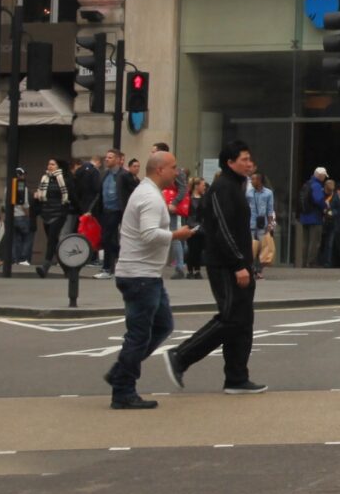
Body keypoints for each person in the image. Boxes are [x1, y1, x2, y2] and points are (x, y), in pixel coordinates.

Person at [165, 141, 266, 396]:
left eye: (249, 158)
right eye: (244, 159)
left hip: (240, 263)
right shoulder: (222, 188)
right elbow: (222, 229)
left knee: (243, 321)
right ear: (230, 162)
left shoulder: (237, 186)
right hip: (225, 265)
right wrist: (238, 264)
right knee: (231, 318)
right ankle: (181, 356)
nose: (249, 163)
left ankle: (236, 377)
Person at [108, 150, 192, 411]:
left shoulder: (147, 192)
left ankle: (121, 372)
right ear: (160, 170)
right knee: (139, 335)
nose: (177, 172)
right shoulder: (150, 197)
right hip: (140, 276)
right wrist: (176, 235)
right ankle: (123, 390)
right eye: (173, 167)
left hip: (147, 275)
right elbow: (148, 234)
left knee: (163, 325)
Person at [94, 148, 132, 280]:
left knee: (110, 238)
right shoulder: (104, 174)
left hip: (119, 210)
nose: (106, 159)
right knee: (107, 239)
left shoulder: (124, 175)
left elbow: (132, 191)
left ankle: (108, 267)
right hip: (106, 210)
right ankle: (109, 266)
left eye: (110, 157)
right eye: (106, 157)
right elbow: (99, 193)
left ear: (117, 160)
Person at [32, 159, 70, 279]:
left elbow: (71, 195)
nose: (50, 166)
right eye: (49, 164)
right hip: (46, 214)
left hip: (58, 214)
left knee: (52, 240)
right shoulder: (44, 179)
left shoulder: (64, 179)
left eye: (53, 164)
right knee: (54, 242)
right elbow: (40, 194)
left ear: (59, 166)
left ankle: (45, 267)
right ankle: (67, 268)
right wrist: (37, 195)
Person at [297, 166, 331, 268]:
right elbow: (318, 200)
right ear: (320, 176)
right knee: (315, 241)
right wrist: (325, 206)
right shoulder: (316, 186)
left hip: (305, 216)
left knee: (305, 241)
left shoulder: (307, 184)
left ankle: (304, 262)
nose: (325, 178)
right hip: (315, 217)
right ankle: (311, 262)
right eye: (324, 176)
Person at [247, 171, 277, 270]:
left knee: (262, 247)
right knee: (251, 248)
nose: (251, 181)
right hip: (250, 223)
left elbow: (270, 209)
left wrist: (270, 224)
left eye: (253, 179)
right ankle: (251, 268)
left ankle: (259, 270)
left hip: (262, 224)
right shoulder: (248, 193)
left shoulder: (268, 193)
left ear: (259, 180)